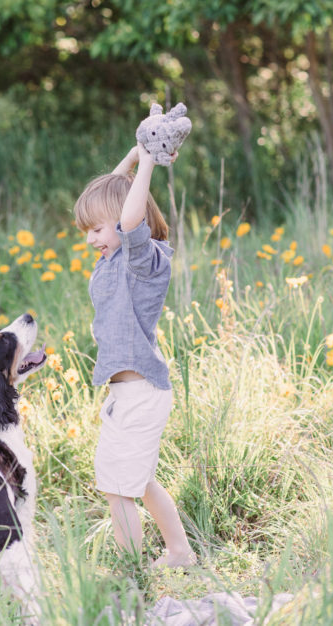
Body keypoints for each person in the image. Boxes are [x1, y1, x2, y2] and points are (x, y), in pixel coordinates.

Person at [73, 143, 196, 568]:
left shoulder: (143, 260)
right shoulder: (114, 259)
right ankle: (179, 552)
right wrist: (130, 157)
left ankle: (130, 571)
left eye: (95, 231)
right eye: (86, 232)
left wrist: (146, 164)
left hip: (142, 393)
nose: (89, 240)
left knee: (117, 487)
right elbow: (115, 202)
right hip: (128, 395)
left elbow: (127, 217)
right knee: (136, 481)